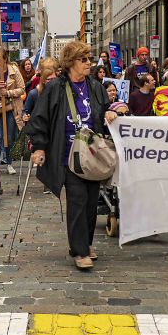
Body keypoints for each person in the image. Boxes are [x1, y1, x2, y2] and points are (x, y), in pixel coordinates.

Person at [28, 41, 117, 270]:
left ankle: (83, 245)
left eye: (89, 59)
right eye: (83, 59)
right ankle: (79, 251)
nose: (89, 63)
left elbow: (104, 109)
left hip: (92, 155)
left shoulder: (95, 86)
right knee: (77, 200)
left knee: (90, 203)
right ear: (70, 63)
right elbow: (40, 119)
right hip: (67, 154)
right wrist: (39, 147)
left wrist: (111, 112)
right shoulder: (55, 87)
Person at [0, 47, 25, 174]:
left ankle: (9, 163)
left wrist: (8, 92)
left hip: (12, 108)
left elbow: (22, 88)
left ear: (5, 59)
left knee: (9, 137)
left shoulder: (14, 70)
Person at [23, 57, 58, 123]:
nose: (52, 82)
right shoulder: (34, 94)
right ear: (44, 80)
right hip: (39, 128)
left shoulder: (60, 92)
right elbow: (25, 110)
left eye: (53, 79)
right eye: (49, 79)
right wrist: (25, 116)